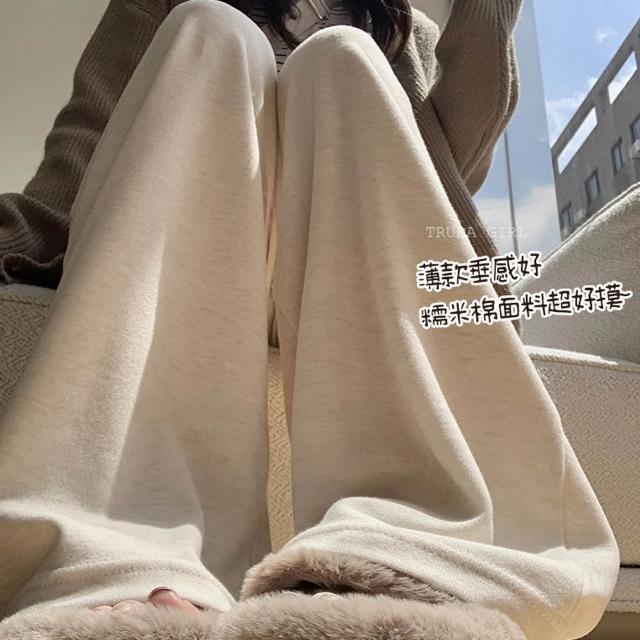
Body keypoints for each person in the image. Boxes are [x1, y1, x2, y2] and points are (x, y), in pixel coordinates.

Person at [0, 1, 619, 639]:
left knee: (342, 58)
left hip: (349, 276)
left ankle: (398, 559)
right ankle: (126, 559)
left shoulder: (401, 28)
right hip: (197, 263)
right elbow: (90, 136)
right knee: (210, 28)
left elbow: (448, 169)